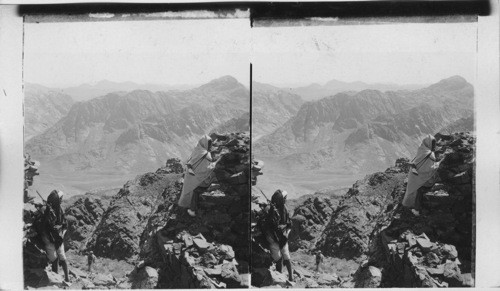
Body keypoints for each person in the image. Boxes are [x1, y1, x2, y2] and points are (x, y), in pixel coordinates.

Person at [178, 134, 220, 217]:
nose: (210, 145)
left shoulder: (197, 149)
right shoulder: (205, 154)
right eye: (210, 143)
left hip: (189, 178)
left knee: (187, 190)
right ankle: (192, 209)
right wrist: (216, 162)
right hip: (198, 179)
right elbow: (205, 170)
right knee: (213, 177)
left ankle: (184, 204)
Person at [402, 134, 440, 215]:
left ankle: (409, 204)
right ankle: (416, 209)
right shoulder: (430, 154)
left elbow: (417, 163)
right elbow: (429, 169)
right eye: (433, 143)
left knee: (413, 189)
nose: (434, 145)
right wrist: (438, 164)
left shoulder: (421, 149)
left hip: (413, 177)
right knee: (420, 189)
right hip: (423, 178)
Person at [264, 190, 293, 282]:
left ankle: (290, 277)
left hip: (283, 238)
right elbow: (268, 224)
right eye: (283, 199)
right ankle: (279, 277)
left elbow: (289, 224)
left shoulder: (284, 209)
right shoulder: (269, 209)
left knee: (287, 258)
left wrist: (284, 230)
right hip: (273, 238)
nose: (285, 200)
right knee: (279, 259)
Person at [41, 190, 70, 282]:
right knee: (54, 259)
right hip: (49, 239)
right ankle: (55, 278)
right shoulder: (46, 210)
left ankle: (67, 278)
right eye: (60, 199)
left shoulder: (60, 210)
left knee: (63, 258)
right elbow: (44, 226)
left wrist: (61, 233)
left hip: (58, 238)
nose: (61, 200)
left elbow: (65, 225)